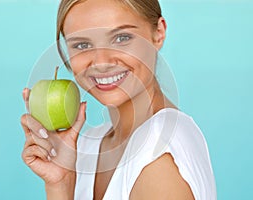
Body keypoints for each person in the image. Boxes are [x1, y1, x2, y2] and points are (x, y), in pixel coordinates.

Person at [21, 0, 217, 199]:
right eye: (82, 44)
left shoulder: (158, 154)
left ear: (158, 33)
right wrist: (61, 184)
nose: (101, 62)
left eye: (121, 38)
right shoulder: (92, 143)